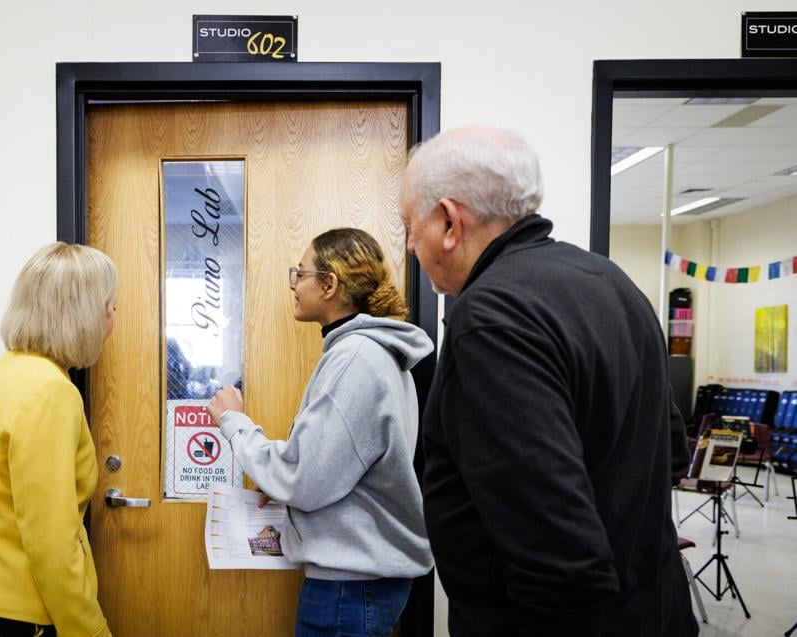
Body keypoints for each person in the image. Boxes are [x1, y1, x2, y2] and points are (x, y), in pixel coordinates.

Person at [399, 126, 697, 636]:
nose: (408, 245)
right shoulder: (611, 282)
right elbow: (669, 451)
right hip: (654, 610)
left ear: (449, 221)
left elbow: (557, 556)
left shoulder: (493, 316)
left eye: (410, 225)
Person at [207, 228, 434, 637]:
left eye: (301, 273)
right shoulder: (374, 356)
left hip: (349, 588)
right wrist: (283, 484)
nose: (294, 284)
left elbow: (304, 477)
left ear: (329, 284)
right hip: (359, 582)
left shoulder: (356, 359)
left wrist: (234, 423)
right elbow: (332, 466)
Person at [0, 242, 115, 637]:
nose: (112, 319)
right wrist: (90, 630)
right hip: (16, 614)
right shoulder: (49, 393)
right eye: (110, 307)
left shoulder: (0, 373)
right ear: (83, 315)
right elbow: (52, 543)